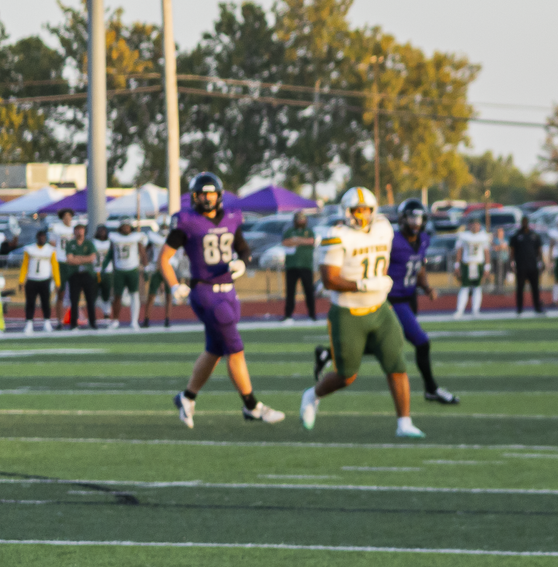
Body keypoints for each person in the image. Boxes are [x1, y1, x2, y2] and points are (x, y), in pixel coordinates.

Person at [164, 172, 289, 428]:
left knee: (215, 349)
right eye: (202, 194)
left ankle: (187, 397)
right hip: (205, 291)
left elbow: (243, 249)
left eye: (211, 193)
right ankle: (251, 405)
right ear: (195, 197)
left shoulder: (232, 218)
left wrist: (242, 264)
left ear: (219, 195)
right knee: (235, 346)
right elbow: (163, 258)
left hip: (229, 290)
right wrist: (174, 285)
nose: (207, 198)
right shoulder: (187, 221)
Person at [300, 186, 422, 439]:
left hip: (380, 309)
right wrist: (363, 284)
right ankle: (312, 395)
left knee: (397, 364)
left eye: (366, 209)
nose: (362, 215)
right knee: (346, 375)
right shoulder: (337, 235)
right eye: (357, 210)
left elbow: (383, 259)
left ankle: (404, 422)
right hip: (348, 312)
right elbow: (329, 279)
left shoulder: (383, 228)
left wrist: (379, 280)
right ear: (347, 211)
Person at [342, 197, 461, 408]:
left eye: (419, 218)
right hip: (392, 299)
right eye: (412, 218)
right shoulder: (392, 241)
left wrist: (426, 287)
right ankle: (431, 389)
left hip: (409, 297)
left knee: (386, 345)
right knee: (421, 343)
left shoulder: (423, 239)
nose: (416, 223)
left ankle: (328, 352)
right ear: (402, 219)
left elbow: (420, 267)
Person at [18, 227, 60, 332]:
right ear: (37, 238)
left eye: (43, 237)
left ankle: (47, 321)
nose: (42, 239)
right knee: (30, 302)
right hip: (32, 279)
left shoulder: (50, 250)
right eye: (40, 237)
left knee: (46, 302)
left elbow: (55, 266)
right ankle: (29, 322)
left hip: (45, 279)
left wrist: (57, 282)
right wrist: (21, 280)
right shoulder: (30, 249)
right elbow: (25, 265)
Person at [280, 209, 319, 321]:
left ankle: (312, 314)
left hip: (306, 265)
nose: (301, 222)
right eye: (299, 220)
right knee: (290, 291)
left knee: (309, 291)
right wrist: (300, 241)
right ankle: (288, 315)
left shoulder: (309, 231)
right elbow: (285, 242)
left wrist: (296, 240)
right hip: (292, 265)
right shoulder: (290, 231)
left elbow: (311, 241)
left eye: (303, 220)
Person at [61, 221, 101, 329]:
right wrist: (83, 259)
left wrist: (77, 258)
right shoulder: (71, 244)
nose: (79, 232)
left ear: (84, 231)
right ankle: (73, 323)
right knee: (74, 300)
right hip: (74, 274)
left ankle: (93, 322)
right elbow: (69, 259)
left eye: (81, 229)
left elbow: (92, 258)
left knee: (90, 300)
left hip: (87, 274)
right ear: (74, 231)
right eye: (77, 230)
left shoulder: (89, 243)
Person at [451, 214, 490, 316]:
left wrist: (487, 266)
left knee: (477, 287)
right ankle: (460, 310)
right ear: (469, 225)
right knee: (464, 287)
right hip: (467, 264)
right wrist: (457, 265)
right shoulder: (464, 235)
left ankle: (475, 310)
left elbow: (486, 252)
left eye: (476, 224)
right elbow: (459, 250)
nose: (474, 226)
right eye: (472, 224)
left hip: (478, 264)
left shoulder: (483, 236)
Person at [509, 215, 546, 315]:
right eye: (523, 222)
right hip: (521, 266)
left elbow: (539, 250)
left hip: (532, 266)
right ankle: (519, 308)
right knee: (520, 288)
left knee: (535, 288)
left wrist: (541, 262)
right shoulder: (516, 236)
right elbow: (512, 251)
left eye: (526, 221)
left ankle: (537, 307)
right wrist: (511, 263)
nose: (524, 223)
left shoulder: (534, 235)